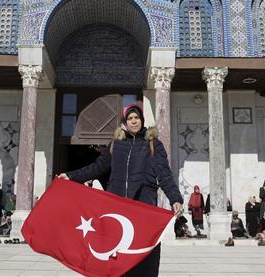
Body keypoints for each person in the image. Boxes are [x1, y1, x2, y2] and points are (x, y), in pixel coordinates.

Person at [59, 103, 183, 277]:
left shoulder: (153, 144)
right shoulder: (115, 145)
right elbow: (97, 167)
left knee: (144, 252)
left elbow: (164, 173)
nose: (134, 121)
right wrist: (72, 176)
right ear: (125, 122)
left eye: (137, 118)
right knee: (117, 251)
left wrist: (175, 198)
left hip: (143, 205)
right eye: (130, 118)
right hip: (118, 208)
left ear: (142, 120)